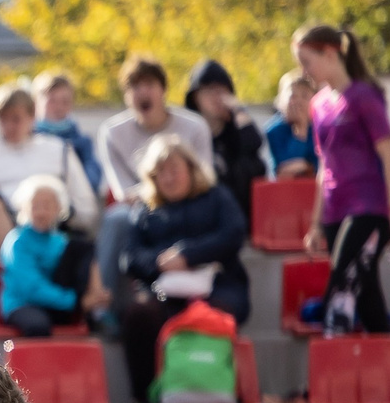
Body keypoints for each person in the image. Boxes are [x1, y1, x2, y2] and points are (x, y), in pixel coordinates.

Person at [114, 133, 252, 403]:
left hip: (218, 286)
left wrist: (188, 255)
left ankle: (220, 391)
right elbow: (129, 257)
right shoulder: (144, 209)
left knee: (215, 313)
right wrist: (159, 262)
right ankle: (145, 399)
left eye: (174, 169)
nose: (169, 178)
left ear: (190, 168)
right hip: (165, 293)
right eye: (160, 173)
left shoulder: (216, 197)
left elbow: (234, 233)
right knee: (138, 315)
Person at [294, 22, 390, 336]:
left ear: (330, 54)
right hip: (335, 210)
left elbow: (389, 155)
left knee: (340, 291)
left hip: (368, 209)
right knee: (368, 298)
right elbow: (324, 166)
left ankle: (331, 369)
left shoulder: (363, 96)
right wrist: (316, 223)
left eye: (307, 62)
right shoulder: (318, 104)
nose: (304, 71)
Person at [96, 58, 214, 306]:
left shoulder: (195, 127)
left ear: (163, 90)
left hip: (189, 205)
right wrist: (164, 191)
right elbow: (123, 193)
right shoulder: (112, 132)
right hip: (142, 210)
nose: (142, 92)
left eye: (149, 84)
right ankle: (105, 307)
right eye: (134, 86)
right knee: (115, 219)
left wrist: (172, 193)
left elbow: (205, 179)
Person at [0, 81, 97, 257]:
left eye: (16, 119)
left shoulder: (58, 149)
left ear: (32, 116)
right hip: (3, 235)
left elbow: (86, 209)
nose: (9, 126)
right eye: (3, 119)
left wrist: (48, 208)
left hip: (54, 230)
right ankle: (18, 264)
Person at [0, 173, 104, 339]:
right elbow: (31, 288)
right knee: (37, 326)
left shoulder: (60, 240)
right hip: (23, 304)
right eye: (35, 206)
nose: (41, 212)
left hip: (57, 303)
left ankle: (98, 306)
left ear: (58, 209)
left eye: (47, 206)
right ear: (25, 209)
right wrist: (75, 302)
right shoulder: (17, 241)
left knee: (83, 246)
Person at [185, 59, 267, 215]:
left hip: (236, 208)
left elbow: (255, 143)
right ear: (196, 97)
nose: (217, 97)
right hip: (197, 208)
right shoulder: (187, 130)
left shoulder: (236, 131)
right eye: (210, 90)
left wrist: (238, 110)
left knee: (251, 163)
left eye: (222, 90)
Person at [33, 70, 105, 197]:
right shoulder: (29, 138)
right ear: (36, 103)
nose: (59, 107)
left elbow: (92, 179)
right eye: (52, 100)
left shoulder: (81, 142)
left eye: (65, 101)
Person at [265, 71, 318, 180]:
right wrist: (301, 130)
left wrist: (307, 166)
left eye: (305, 96)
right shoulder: (274, 131)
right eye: (293, 96)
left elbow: (319, 165)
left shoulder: (319, 128)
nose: (298, 101)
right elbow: (284, 169)